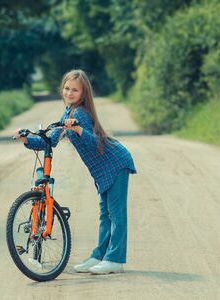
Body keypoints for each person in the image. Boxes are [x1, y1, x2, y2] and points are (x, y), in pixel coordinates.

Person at [13, 69, 136, 275]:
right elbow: (50, 140)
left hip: (116, 163)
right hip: (104, 170)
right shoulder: (68, 113)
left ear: (83, 93)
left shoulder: (80, 114)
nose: (69, 93)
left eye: (75, 90)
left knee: (116, 214)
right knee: (105, 215)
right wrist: (25, 139)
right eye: (67, 88)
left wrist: (78, 129)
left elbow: (94, 142)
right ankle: (99, 256)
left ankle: (115, 260)